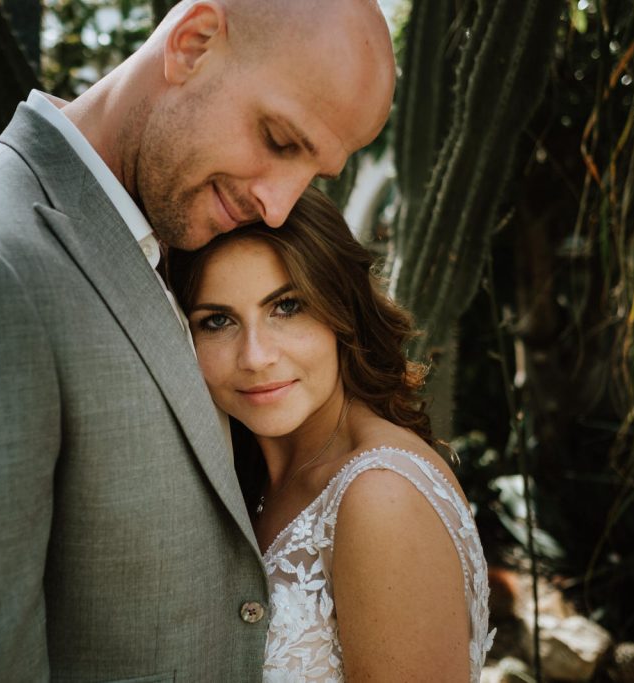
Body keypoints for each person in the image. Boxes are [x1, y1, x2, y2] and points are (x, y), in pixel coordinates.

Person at [0, 0, 395, 680]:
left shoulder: (153, 233)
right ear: (194, 43)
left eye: (312, 175)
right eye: (279, 140)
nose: (279, 205)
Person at [169, 186, 494, 681]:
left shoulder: (381, 495)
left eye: (287, 307)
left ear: (343, 310)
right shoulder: (243, 476)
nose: (256, 356)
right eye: (217, 320)